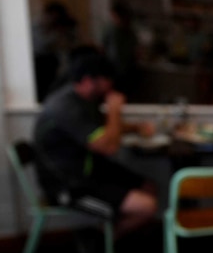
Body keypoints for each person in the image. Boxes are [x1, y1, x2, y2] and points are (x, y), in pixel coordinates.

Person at [33, 51, 158, 241]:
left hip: (89, 170)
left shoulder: (82, 100)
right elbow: (108, 147)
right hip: (68, 185)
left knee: (148, 186)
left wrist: (135, 127)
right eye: (107, 80)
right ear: (89, 81)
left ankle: (112, 238)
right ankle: (100, 241)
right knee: (148, 206)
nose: (111, 86)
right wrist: (115, 110)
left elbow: (103, 130)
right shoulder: (66, 108)